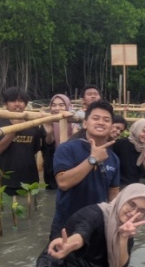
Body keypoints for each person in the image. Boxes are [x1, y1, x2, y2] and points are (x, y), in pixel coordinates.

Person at [35, 183, 145, 267]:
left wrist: (123, 237)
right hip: (56, 265)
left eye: (141, 211)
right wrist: (68, 244)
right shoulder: (94, 214)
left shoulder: (127, 228)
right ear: (122, 199)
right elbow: (82, 233)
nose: (133, 213)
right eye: (131, 204)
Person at [49, 100, 120, 240]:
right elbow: (63, 183)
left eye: (106, 120)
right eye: (95, 118)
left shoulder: (114, 158)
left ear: (111, 126)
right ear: (85, 123)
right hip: (66, 226)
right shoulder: (67, 149)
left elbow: (113, 197)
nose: (101, 122)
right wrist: (92, 159)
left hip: (96, 226)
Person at [0, 87, 47, 196]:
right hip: (6, 180)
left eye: (20, 101)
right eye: (13, 101)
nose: (17, 104)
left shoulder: (32, 124)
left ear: (25, 104)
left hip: (30, 180)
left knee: (32, 210)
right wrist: (14, 129)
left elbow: (35, 150)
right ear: (6, 104)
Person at [113, 119, 145, 187]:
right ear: (137, 130)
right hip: (119, 185)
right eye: (144, 131)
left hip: (135, 187)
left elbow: (144, 174)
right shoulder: (120, 144)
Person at [41, 94, 73, 190]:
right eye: (54, 105)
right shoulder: (46, 122)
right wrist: (49, 133)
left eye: (61, 105)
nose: (57, 108)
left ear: (67, 106)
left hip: (71, 166)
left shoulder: (74, 123)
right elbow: (47, 146)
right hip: (52, 167)